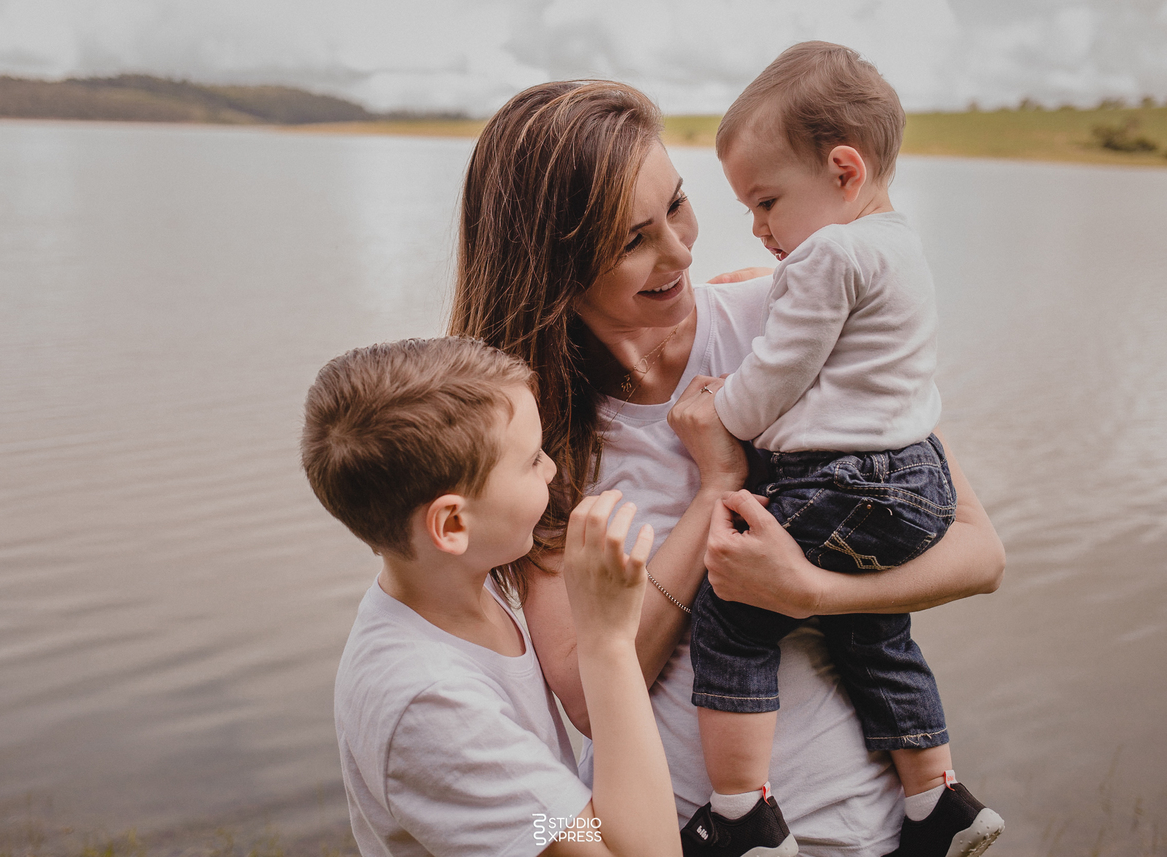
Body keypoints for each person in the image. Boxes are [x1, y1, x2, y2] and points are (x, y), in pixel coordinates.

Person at [449, 80, 1005, 857]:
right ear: (553, 267)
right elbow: (585, 692)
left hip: (865, 828)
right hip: (677, 836)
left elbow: (980, 553)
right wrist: (716, 489)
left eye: (676, 206)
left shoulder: (793, 316)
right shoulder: (536, 438)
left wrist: (813, 590)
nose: (680, 251)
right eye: (630, 240)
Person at [681, 42, 1004, 857]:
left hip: (849, 476)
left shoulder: (827, 253)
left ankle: (741, 813)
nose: (757, 227)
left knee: (731, 609)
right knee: (875, 629)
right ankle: (937, 799)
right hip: (913, 474)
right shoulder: (896, 244)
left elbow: (777, 374)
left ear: (844, 171)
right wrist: (763, 281)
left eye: (766, 201)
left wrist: (727, 405)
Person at [300, 336, 683, 857]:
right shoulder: (429, 706)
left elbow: (546, 827)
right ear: (453, 523)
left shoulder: (464, 578)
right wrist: (606, 639)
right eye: (530, 461)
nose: (552, 469)